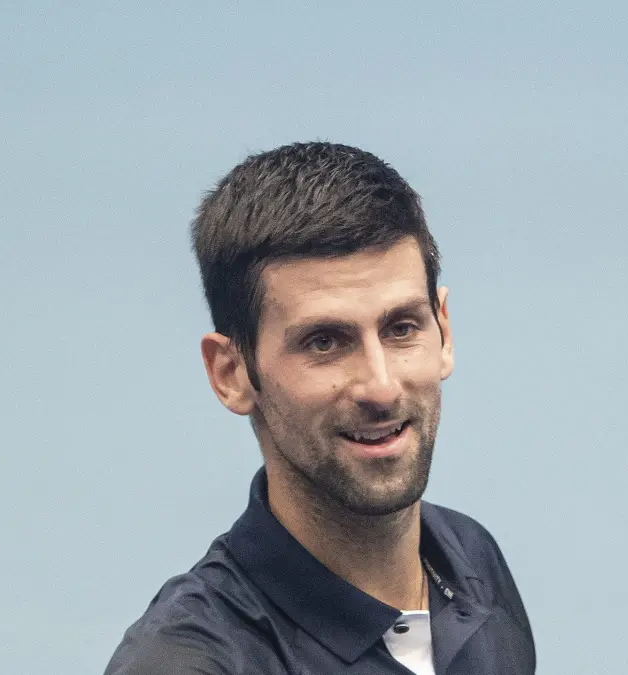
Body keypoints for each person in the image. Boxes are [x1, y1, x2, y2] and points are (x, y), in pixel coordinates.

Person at [104, 142, 536, 675]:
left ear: (443, 331)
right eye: (324, 342)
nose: (381, 387)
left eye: (402, 328)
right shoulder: (190, 663)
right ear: (231, 373)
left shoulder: (471, 560)